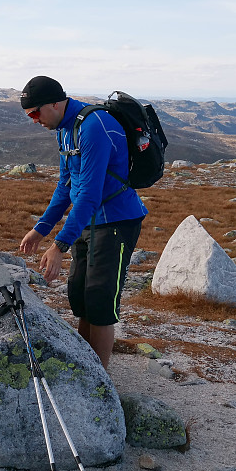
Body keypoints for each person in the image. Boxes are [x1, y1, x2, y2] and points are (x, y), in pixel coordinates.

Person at [18, 75, 147, 368]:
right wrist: (41, 229)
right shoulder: (65, 129)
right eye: (29, 115)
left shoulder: (93, 127)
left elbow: (88, 195)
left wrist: (59, 245)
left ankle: (98, 383)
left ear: (55, 102)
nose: (34, 120)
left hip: (115, 221)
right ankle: (86, 366)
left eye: (36, 112)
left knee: (100, 301)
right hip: (88, 221)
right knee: (81, 296)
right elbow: (66, 186)